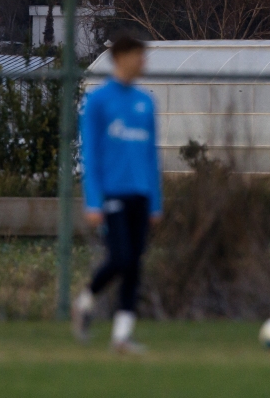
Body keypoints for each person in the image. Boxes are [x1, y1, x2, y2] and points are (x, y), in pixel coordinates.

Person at [72, 32, 162, 353]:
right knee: (121, 258)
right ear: (122, 59)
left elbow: (152, 155)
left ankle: (122, 337)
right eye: (139, 56)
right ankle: (85, 301)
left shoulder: (145, 102)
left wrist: (156, 202)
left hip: (141, 195)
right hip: (111, 195)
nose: (144, 63)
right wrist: (93, 199)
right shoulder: (98, 102)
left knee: (134, 265)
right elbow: (90, 154)